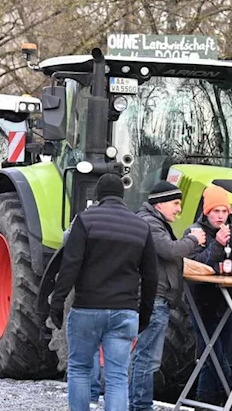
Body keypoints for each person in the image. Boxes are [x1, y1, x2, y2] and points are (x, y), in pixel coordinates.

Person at [49, 173, 158, 411]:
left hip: (87, 309)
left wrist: (57, 302)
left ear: (97, 195)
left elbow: (70, 266)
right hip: (124, 312)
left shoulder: (85, 221)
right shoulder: (141, 227)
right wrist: (145, 314)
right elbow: (151, 276)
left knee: (79, 368)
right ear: (122, 195)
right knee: (118, 376)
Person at [129, 181, 208, 411]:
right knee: (147, 358)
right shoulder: (151, 224)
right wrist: (193, 240)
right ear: (160, 203)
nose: (178, 209)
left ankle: (138, 404)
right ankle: (140, 406)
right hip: (155, 298)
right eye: (175, 203)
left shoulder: (153, 221)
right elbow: (169, 250)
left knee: (146, 357)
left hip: (158, 297)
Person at [185, 184, 232, 405]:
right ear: (207, 211)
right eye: (216, 211)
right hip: (200, 299)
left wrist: (223, 267)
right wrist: (217, 246)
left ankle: (207, 402)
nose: (221, 216)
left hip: (227, 300)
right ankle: (230, 389)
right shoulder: (195, 232)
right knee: (211, 350)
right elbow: (193, 264)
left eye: (225, 211)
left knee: (214, 352)